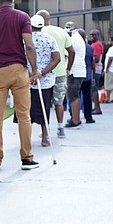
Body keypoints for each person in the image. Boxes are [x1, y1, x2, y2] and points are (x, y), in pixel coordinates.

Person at [0, 0, 40, 171]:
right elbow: (29, 46)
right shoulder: (22, 17)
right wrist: (35, 69)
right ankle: (27, 158)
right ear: (13, 0)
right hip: (18, 70)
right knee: (24, 116)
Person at [37, 9, 75, 138]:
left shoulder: (38, 31)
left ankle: (45, 132)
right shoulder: (61, 31)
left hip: (43, 73)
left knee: (45, 102)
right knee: (59, 101)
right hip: (60, 72)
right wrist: (68, 68)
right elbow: (71, 51)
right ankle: (60, 127)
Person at [26, 14, 60, 147]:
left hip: (28, 81)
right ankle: (44, 138)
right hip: (46, 81)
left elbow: (21, 58)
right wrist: (41, 73)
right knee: (44, 109)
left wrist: (31, 74)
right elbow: (56, 58)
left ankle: (26, 139)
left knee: (26, 111)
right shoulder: (50, 39)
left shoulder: (25, 40)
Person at [63, 22, 86, 128]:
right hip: (78, 71)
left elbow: (67, 53)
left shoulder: (74, 39)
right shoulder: (78, 38)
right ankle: (75, 117)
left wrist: (67, 69)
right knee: (74, 96)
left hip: (74, 72)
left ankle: (75, 120)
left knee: (73, 96)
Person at [79, 29, 96, 124]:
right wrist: (93, 75)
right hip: (87, 75)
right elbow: (93, 62)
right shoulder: (89, 48)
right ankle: (88, 117)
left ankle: (74, 116)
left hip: (77, 75)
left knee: (75, 97)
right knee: (87, 97)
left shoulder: (75, 47)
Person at [88, 29, 104, 115]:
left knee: (94, 89)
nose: (92, 36)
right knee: (93, 89)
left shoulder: (97, 45)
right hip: (94, 69)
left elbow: (96, 59)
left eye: (94, 35)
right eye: (91, 35)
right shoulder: (94, 44)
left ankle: (98, 109)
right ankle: (96, 107)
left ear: (97, 35)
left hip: (96, 70)